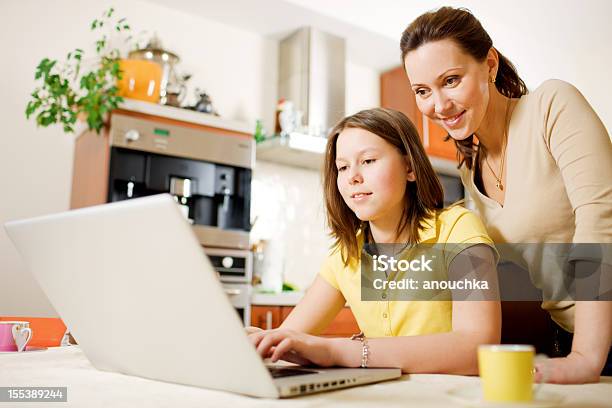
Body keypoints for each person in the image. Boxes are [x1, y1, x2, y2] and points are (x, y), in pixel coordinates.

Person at [400, 7, 612, 382]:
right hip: (568, 338)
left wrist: (587, 355)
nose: (438, 105)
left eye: (450, 80)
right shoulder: (469, 173)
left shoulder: (551, 106)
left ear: (490, 65)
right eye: (422, 91)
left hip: (594, 343)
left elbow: (600, 220)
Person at [248, 108, 501, 374]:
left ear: (410, 167)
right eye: (342, 167)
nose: (352, 177)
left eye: (368, 161)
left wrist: (339, 350)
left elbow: (477, 347)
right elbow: (288, 339)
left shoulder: (458, 228)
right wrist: (258, 341)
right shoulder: (345, 254)